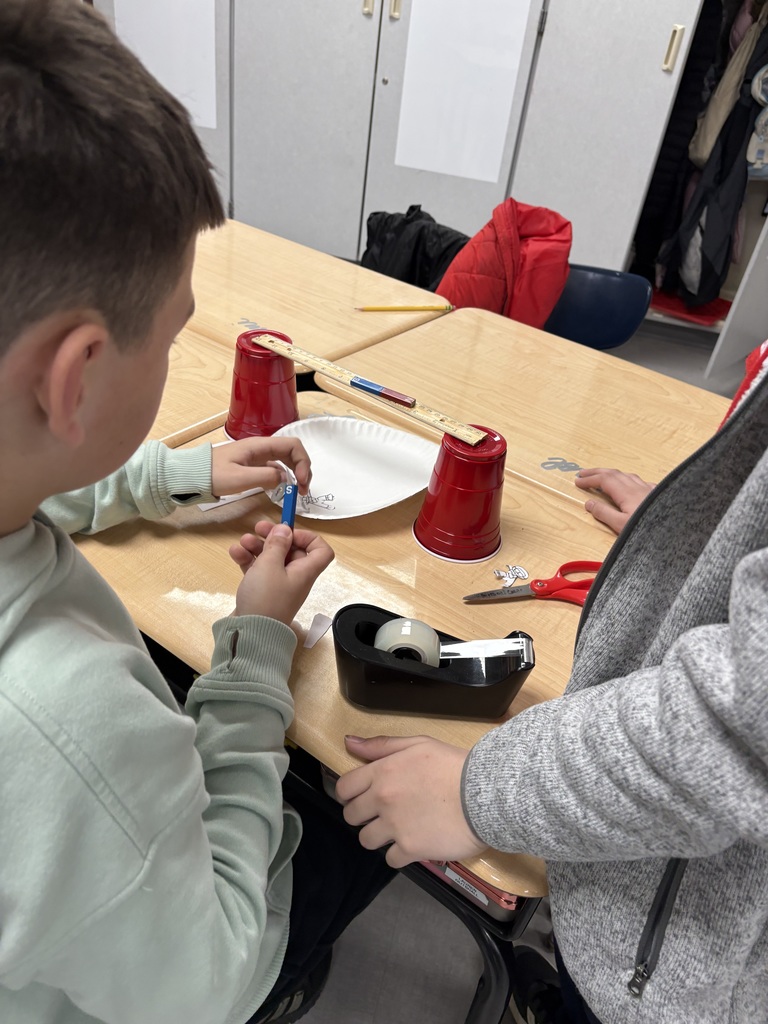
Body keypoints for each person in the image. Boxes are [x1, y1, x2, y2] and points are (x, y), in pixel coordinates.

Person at [0, 3, 392, 1023]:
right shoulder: (58, 725)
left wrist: (176, 474)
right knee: (348, 798)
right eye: (174, 335)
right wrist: (254, 650)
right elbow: (207, 984)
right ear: (76, 378)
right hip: (191, 970)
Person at [337, 339, 768, 1023]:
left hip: (683, 965)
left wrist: (476, 792)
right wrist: (707, 527)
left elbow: (737, 720)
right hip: (635, 877)